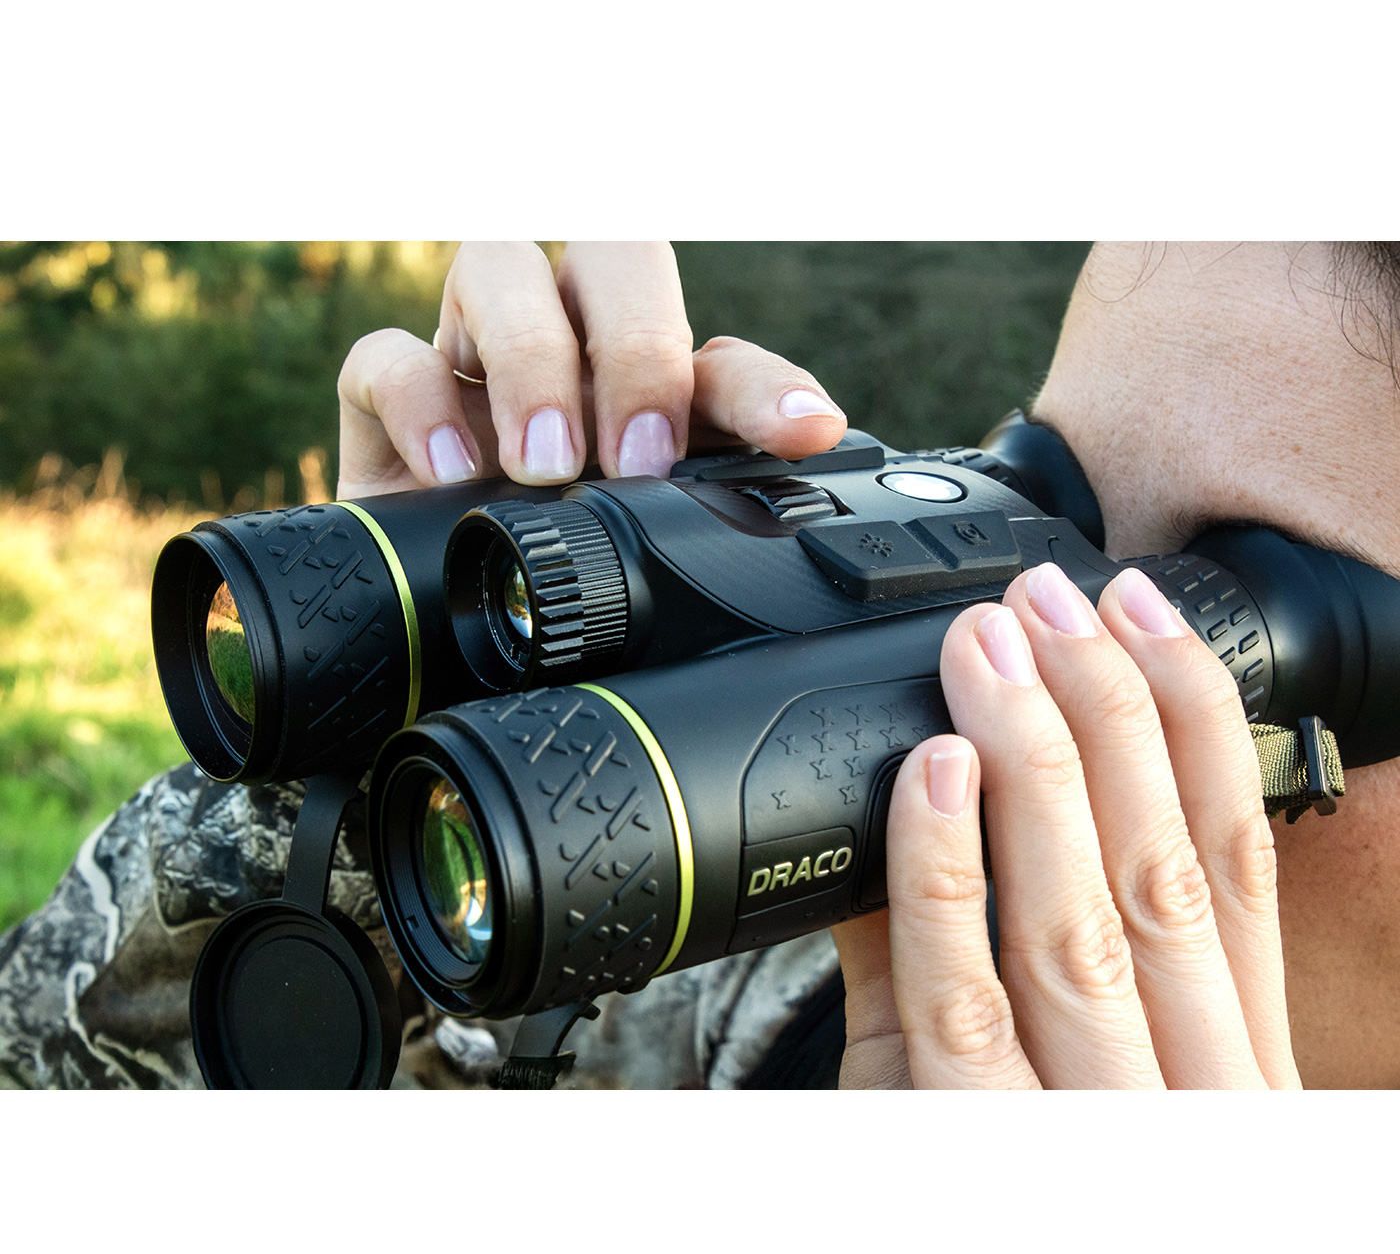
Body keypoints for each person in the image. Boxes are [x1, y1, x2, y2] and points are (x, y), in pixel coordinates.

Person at [1, 241, 1394, 1088]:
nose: (1033, 662)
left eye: (1226, 619)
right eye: (1033, 490)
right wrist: (370, 780)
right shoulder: (754, 1004)